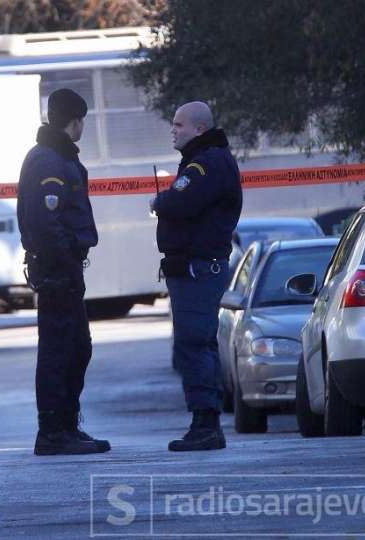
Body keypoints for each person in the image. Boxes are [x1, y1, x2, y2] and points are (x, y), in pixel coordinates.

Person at [17, 88, 110, 455]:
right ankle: (53, 432)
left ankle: (67, 425)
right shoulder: (49, 160)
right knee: (59, 350)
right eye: (82, 120)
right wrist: (64, 255)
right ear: (75, 121)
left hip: (66, 268)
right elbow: (44, 220)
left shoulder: (58, 157)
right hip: (57, 268)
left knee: (77, 348)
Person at [150, 101, 242, 451]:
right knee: (197, 342)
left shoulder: (206, 163)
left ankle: (205, 424)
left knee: (193, 343)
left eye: (179, 124)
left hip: (198, 268)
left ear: (198, 129)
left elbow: (181, 203)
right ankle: (205, 421)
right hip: (195, 266)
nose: (173, 130)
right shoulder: (205, 160)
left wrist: (160, 201)